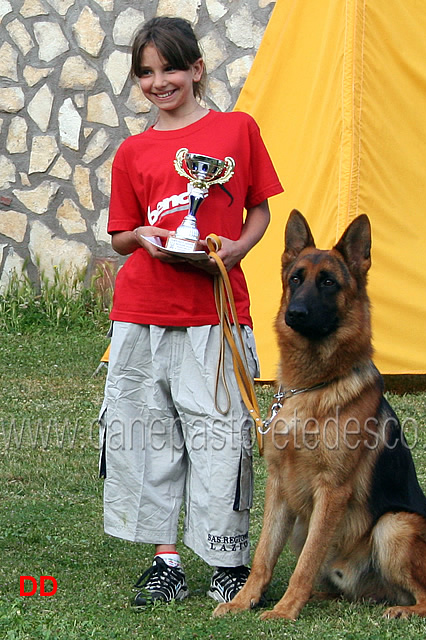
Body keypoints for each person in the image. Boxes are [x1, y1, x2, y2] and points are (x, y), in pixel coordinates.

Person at [98, 16, 283, 607]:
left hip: (216, 314)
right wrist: (146, 236)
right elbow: (121, 235)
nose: (159, 82)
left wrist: (239, 249)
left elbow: (260, 210)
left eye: (171, 68)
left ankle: (227, 562)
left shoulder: (236, 131)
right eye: (146, 73)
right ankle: (166, 562)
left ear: (197, 70)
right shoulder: (133, 151)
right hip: (143, 311)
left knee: (221, 435)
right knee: (149, 433)